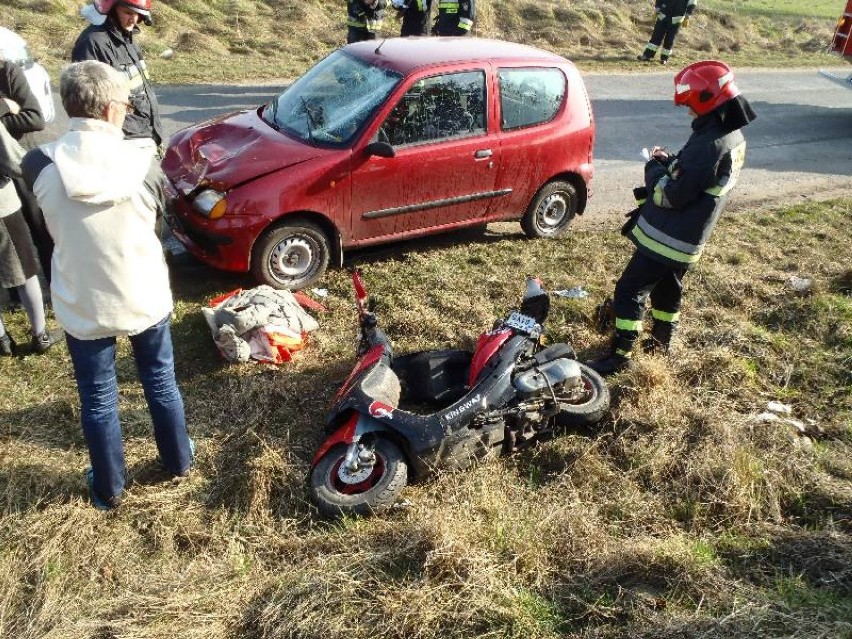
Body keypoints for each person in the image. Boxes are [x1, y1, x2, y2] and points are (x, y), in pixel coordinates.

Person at [21, 60, 193, 510]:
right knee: (160, 381)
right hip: (142, 290)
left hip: (83, 297)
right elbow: (156, 221)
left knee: (98, 397)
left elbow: (45, 231)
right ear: (113, 109)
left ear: (69, 105)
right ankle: (178, 461)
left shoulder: (39, 162)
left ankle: (109, 487)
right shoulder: (144, 161)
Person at [587, 60, 756, 376]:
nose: (689, 113)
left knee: (629, 291)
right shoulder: (731, 136)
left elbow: (670, 195)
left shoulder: (710, 143)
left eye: (690, 106)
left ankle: (620, 356)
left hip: (667, 238)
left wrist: (653, 168)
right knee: (667, 291)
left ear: (706, 100)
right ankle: (660, 346)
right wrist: (674, 162)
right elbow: (700, 178)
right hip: (690, 240)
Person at [72, 0, 164, 147]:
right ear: (111, 10)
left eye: (138, 14)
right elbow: (88, 105)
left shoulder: (127, 38)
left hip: (144, 135)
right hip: (121, 142)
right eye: (128, 13)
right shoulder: (92, 43)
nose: (134, 20)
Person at [0, 120, 57, 356]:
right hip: (2, 209)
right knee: (25, 270)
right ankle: (40, 334)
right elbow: (15, 162)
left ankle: (2, 340)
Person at [1, 56, 53, 283]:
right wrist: (4, 107)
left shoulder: (7, 71)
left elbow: (35, 118)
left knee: (41, 229)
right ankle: (17, 292)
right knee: (10, 238)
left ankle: (55, 284)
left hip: (18, 163)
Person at [637, 0, 697, 65]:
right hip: (663, 14)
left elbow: (692, 3)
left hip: (676, 18)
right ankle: (647, 55)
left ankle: (664, 58)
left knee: (669, 39)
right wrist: (657, 7)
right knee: (656, 36)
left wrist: (688, 15)